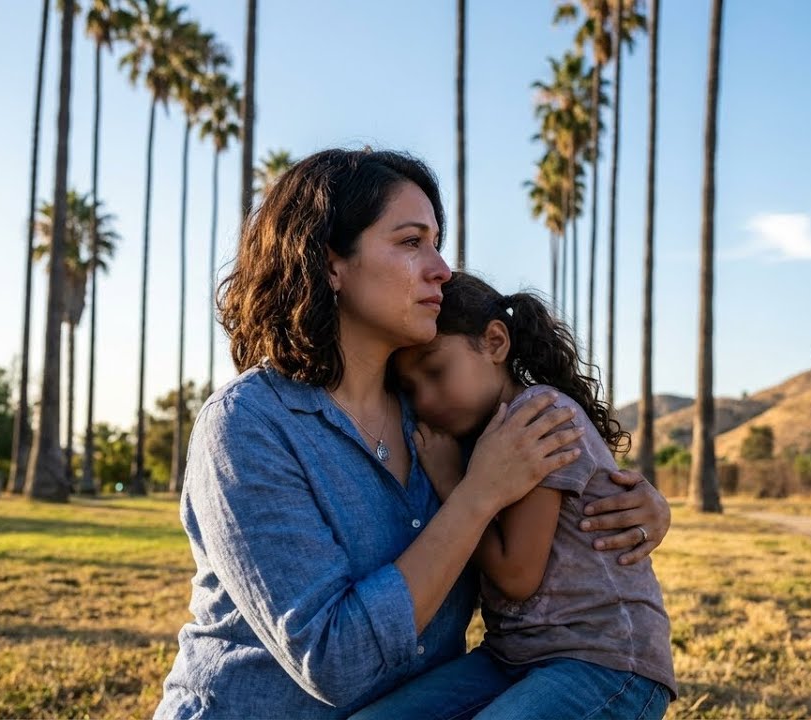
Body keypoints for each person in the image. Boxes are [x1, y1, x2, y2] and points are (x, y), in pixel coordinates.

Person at [154, 148, 672, 719]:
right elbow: (333, 661)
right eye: (410, 242)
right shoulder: (251, 425)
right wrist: (475, 497)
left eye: (436, 242)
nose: (442, 269)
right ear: (330, 265)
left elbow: (552, 500)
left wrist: (637, 502)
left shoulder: (435, 415)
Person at [350, 272, 675, 719]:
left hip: (604, 660)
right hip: (512, 657)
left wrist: (453, 486)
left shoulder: (536, 417)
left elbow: (518, 575)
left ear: (496, 343)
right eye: (410, 389)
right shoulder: (474, 432)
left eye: (435, 370)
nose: (424, 400)